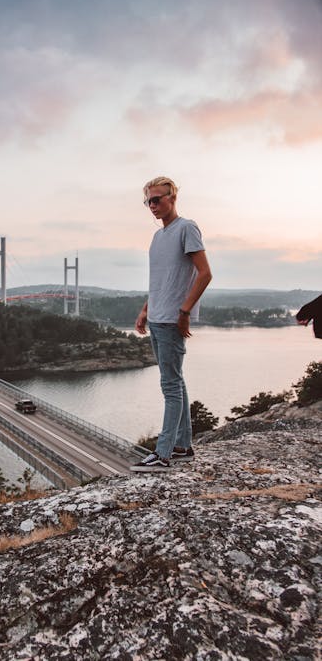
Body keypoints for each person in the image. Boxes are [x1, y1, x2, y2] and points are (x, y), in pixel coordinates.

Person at [130, 176, 212, 472]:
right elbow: (160, 282)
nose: (152, 206)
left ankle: (162, 454)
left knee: (170, 385)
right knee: (176, 380)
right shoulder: (157, 236)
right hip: (156, 317)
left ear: (172, 198)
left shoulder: (186, 228)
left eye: (157, 199)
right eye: (148, 201)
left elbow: (204, 274)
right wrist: (144, 310)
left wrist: (185, 311)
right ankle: (182, 446)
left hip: (171, 319)